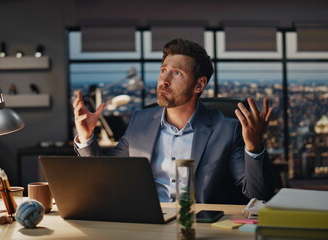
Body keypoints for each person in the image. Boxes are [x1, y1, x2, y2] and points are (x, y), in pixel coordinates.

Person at [72, 39, 275, 204]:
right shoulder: (140, 123)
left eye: (176, 73)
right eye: (163, 70)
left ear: (199, 84)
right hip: (146, 225)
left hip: (197, 227)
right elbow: (105, 176)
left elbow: (258, 195)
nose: (164, 80)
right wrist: (86, 136)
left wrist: (254, 145)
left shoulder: (226, 129)